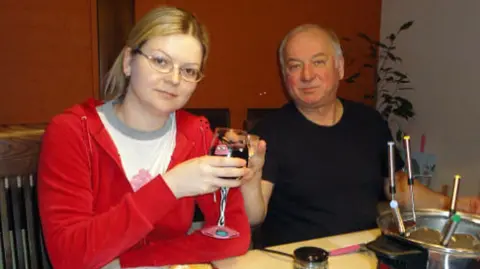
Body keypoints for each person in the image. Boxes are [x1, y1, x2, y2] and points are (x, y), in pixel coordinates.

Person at [37, 6, 262, 269]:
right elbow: (70, 257)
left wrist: (126, 262)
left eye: (189, 70)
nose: (174, 79)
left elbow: (232, 235)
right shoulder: (73, 132)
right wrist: (171, 185)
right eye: (161, 61)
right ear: (128, 61)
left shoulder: (196, 133)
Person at [240, 24, 480, 247]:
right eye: (294, 66)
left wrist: (454, 204)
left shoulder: (369, 122)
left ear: (340, 67)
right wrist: (248, 180)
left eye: (318, 62)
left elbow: (399, 189)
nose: (306, 75)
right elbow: (253, 216)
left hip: (366, 252)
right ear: (285, 76)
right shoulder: (268, 133)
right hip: (298, 258)